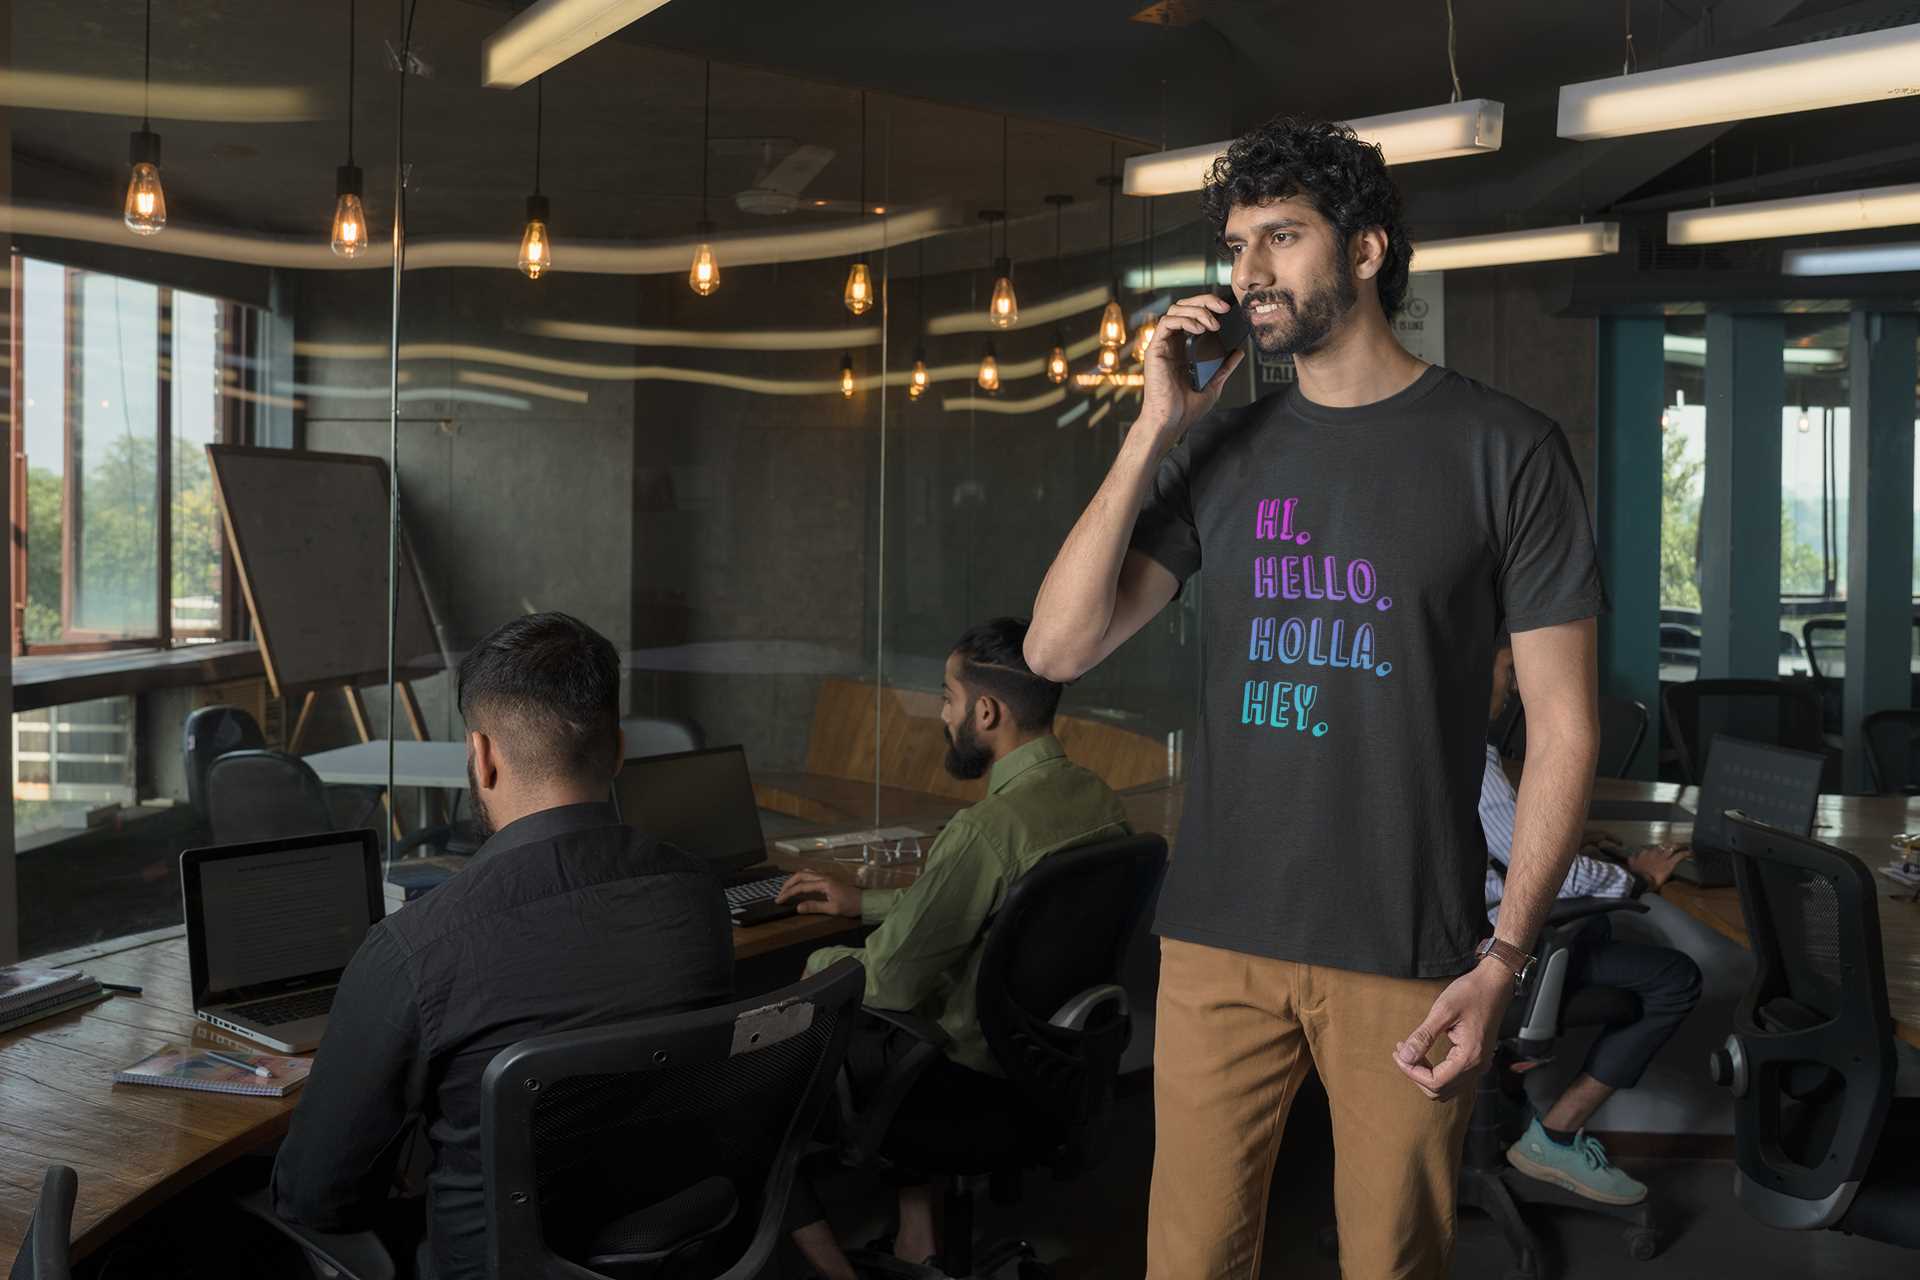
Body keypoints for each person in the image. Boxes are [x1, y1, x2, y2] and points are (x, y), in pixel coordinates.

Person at [1022, 117, 1608, 1279]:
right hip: (1218, 934)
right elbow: (1054, 646)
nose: (1249, 273)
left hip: (1408, 947)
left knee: (1391, 1259)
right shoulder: (1222, 446)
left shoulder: (1506, 449)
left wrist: (1506, 957)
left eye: (1282, 237)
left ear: (1369, 249)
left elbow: (1565, 725)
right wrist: (1152, 430)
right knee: (1188, 1262)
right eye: (1238, 244)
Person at [272, 612, 733, 1280]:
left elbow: (316, 1195)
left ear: (482, 756)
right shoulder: (696, 893)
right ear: (619, 751)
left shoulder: (418, 948)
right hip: (667, 1245)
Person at [774, 617, 1131, 1277]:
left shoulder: (987, 829)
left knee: (821, 1018)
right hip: (1047, 1067)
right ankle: (919, 1239)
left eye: (947, 696)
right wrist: (868, 903)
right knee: (924, 1013)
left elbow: (887, 983)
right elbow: (998, 911)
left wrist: (815, 966)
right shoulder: (1096, 799)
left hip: (966, 1081)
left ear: (986, 712)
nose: (942, 713)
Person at [1481, 640, 1702, 1205]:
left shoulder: (1430, 743)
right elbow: (1543, 869)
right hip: (1496, 959)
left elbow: (1505, 847)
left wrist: (1577, 845)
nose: (1513, 691)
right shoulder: (1473, 762)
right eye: (1508, 672)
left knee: (1595, 931)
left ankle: (1508, 1077)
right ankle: (1554, 1136)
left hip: (1459, 945)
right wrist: (1638, 880)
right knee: (1676, 977)